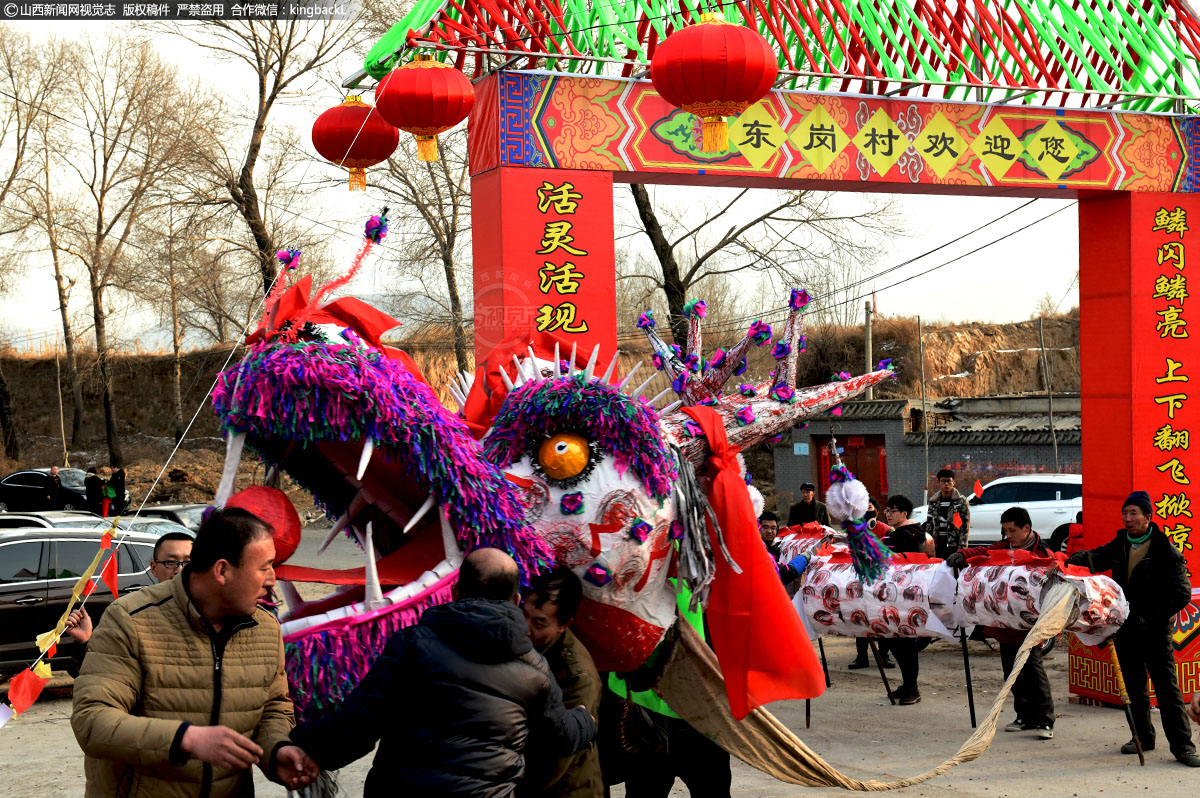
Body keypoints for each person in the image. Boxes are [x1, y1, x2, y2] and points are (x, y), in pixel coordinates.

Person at [288, 548, 596, 797]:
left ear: (456, 592)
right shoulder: (535, 669)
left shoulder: (411, 645)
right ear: (516, 601)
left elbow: (354, 727)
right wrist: (584, 719)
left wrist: (295, 746)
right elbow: (562, 737)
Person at [71, 506, 314, 795]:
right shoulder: (131, 619)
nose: (273, 578)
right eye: (264, 567)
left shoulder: (264, 627)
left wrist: (277, 750)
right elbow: (92, 721)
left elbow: (272, 709)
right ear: (222, 570)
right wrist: (186, 738)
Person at [1067, 491, 1199, 766]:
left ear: (1148, 517)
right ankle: (1142, 737)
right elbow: (1098, 556)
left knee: (1167, 690)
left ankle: (1183, 747)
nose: (1128, 519)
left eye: (1134, 514)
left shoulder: (1165, 551)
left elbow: (1181, 593)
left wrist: (1150, 616)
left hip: (1155, 630)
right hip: (1125, 629)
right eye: (1125, 513)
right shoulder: (1120, 543)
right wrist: (1080, 558)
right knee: (1134, 688)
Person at [946, 507, 1055, 739]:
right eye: (1005, 531)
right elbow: (984, 551)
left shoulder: (1043, 552)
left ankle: (1045, 720)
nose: (1008, 536)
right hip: (1004, 621)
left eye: (1012, 530)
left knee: (1034, 672)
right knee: (1011, 673)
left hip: (1030, 624)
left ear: (1027, 528)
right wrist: (963, 555)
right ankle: (1023, 716)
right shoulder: (1003, 547)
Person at [519, 568, 602, 798]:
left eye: (539, 623)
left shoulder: (577, 677)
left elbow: (557, 756)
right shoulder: (518, 642)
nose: (526, 628)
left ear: (564, 625)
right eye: (522, 614)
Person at [876, 495, 927, 704]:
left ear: (904, 514)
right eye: (886, 511)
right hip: (909, 591)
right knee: (900, 642)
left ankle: (912, 688)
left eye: (892, 511)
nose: (888, 514)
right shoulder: (916, 532)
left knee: (902, 643)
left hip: (899, 594)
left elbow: (877, 552)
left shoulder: (901, 535)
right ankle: (908, 685)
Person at [849, 498, 896, 671]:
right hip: (862, 580)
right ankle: (862, 657)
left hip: (881, 581)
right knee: (861, 619)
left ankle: (884, 655)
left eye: (869, 508)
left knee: (882, 619)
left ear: (876, 511)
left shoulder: (886, 530)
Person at [923, 468, 971, 558]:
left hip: (954, 543)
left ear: (953, 483)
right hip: (937, 542)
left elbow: (965, 525)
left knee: (953, 569)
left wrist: (963, 547)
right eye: (943, 481)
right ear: (939, 483)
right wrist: (928, 544)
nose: (946, 484)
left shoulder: (961, 501)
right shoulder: (933, 501)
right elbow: (929, 524)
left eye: (949, 481)